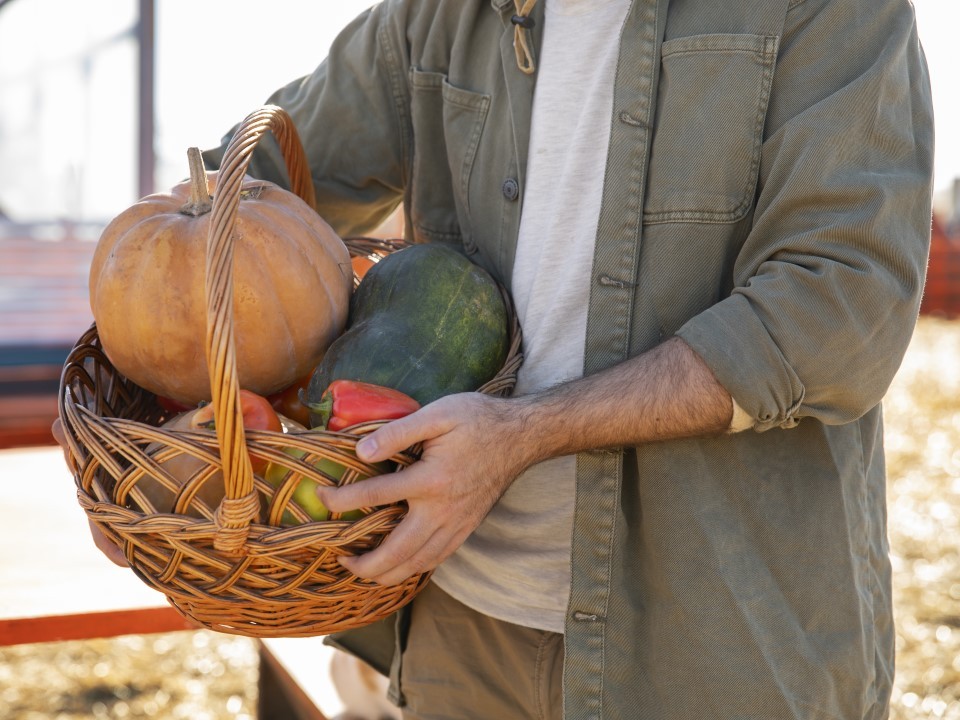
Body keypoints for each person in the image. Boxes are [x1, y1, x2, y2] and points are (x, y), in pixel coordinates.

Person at [72, 0, 935, 717]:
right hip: (461, 629)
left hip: (725, 642)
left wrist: (526, 433)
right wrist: (150, 448)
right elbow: (240, 201)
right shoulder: (440, 12)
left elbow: (840, 305)